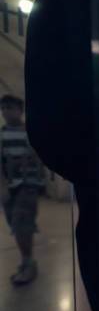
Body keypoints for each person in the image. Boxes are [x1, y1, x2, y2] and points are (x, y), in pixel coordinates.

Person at [0, 95, 46, 285]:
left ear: (20, 110)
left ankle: (28, 264)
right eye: (3, 108)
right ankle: (26, 260)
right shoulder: (2, 133)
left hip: (28, 184)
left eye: (10, 107)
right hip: (10, 187)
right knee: (15, 224)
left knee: (21, 222)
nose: (5, 111)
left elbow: (39, 155)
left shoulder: (30, 131)